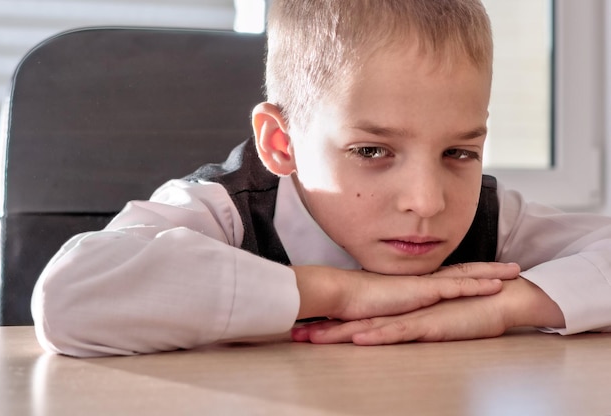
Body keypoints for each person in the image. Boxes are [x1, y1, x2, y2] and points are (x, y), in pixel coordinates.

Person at [31, 0, 611, 357]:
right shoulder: (220, 211)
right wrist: (339, 292)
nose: (427, 201)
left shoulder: (491, 217)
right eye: (372, 150)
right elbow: (71, 295)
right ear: (282, 144)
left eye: (458, 152)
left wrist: (507, 306)